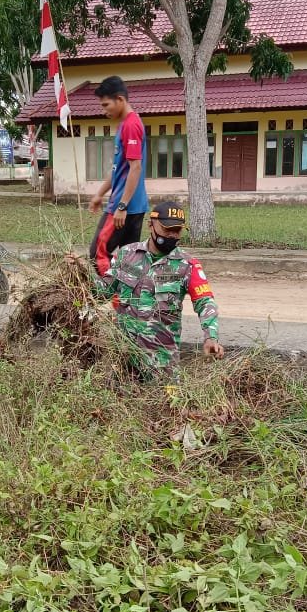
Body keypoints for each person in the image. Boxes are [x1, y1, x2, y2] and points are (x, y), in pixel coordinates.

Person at [69, 201, 225, 382]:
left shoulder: (187, 265)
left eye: (177, 230)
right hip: (123, 360)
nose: (173, 235)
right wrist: (79, 273)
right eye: (167, 230)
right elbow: (103, 291)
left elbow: (205, 302)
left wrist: (211, 337)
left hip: (162, 364)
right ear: (151, 225)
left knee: (163, 408)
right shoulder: (126, 254)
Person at [88, 75, 149, 276]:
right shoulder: (127, 124)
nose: (104, 110)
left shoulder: (131, 125)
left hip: (123, 208)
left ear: (120, 100)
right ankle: (127, 304)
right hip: (135, 206)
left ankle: (112, 297)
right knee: (128, 260)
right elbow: (118, 170)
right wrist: (99, 194)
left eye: (106, 105)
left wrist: (122, 206)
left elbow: (136, 168)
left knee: (97, 254)